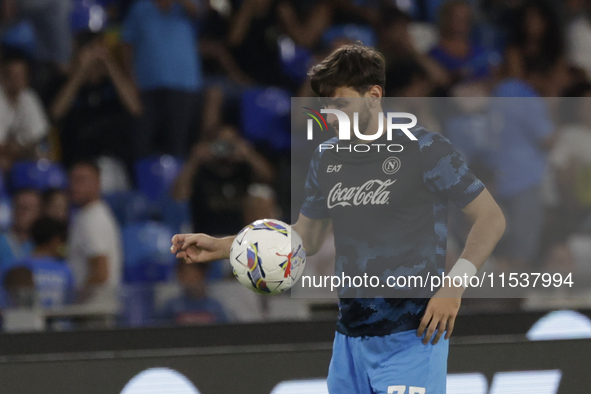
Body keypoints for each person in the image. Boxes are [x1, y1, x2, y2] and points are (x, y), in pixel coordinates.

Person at [171, 44, 506, 393]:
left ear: (374, 96)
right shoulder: (327, 157)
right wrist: (227, 245)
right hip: (349, 344)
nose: (330, 115)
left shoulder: (425, 150)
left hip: (411, 337)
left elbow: (491, 217)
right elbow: (307, 237)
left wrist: (454, 285)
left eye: (341, 103)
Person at [121, 0, 203, 158]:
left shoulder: (186, 6)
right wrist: (130, 79)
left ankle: (176, 181)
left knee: (178, 144)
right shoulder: (140, 7)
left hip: (184, 84)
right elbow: (127, 45)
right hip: (147, 86)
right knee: (142, 143)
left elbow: (199, 14)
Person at [50, 31, 142, 168]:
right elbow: (55, 113)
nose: (94, 55)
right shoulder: (63, 83)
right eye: (88, 49)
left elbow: (136, 108)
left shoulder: (114, 84)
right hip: (76, 164)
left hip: (112, 163)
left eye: (97, 48)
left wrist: (109, 63)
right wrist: (82, 71)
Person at [171, 125, 277, 236]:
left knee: (261, 198)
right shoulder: (201, 171)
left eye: (230, 143)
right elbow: (178, 195)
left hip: (237, 239)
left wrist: (249, 155)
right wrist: (194, 160)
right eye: (221, 143)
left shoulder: (243, 170)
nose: (225, 149)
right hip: (207, 239)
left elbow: (269, 178)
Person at [67, 160, 122, 306]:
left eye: (81, 180)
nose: (74, 186)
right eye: (72, 180)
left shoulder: (93, 219)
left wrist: (75, 302)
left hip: (93, 309)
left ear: (98, 183)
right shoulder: (88, 215)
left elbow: (100, 272)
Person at [0, 53, 49, 170]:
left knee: (44, 159)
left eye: (21, 75)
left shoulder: (28, 97)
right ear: (3, 76)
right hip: (5, 158)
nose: (17, 80)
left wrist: (19, 149)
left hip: (20, 156)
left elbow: (39, 138)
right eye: (12, 75)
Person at [12, 217, 74, 308]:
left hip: (28, 321)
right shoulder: (65, 270)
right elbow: (72, 301)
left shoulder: (17, 267)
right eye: (62, 241)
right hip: (60, 320)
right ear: (55, 241)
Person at [158, 261, 228, 325]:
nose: (189, 279)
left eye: (192, 274)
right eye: (184, 274)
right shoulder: (172, 306)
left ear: (202, 275)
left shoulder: (215, 306)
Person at [0, 189, 41, 271]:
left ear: (38, 213)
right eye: (18, 207)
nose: (22, 212)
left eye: (27, 208)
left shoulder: (42, 244)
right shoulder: (1, 241)